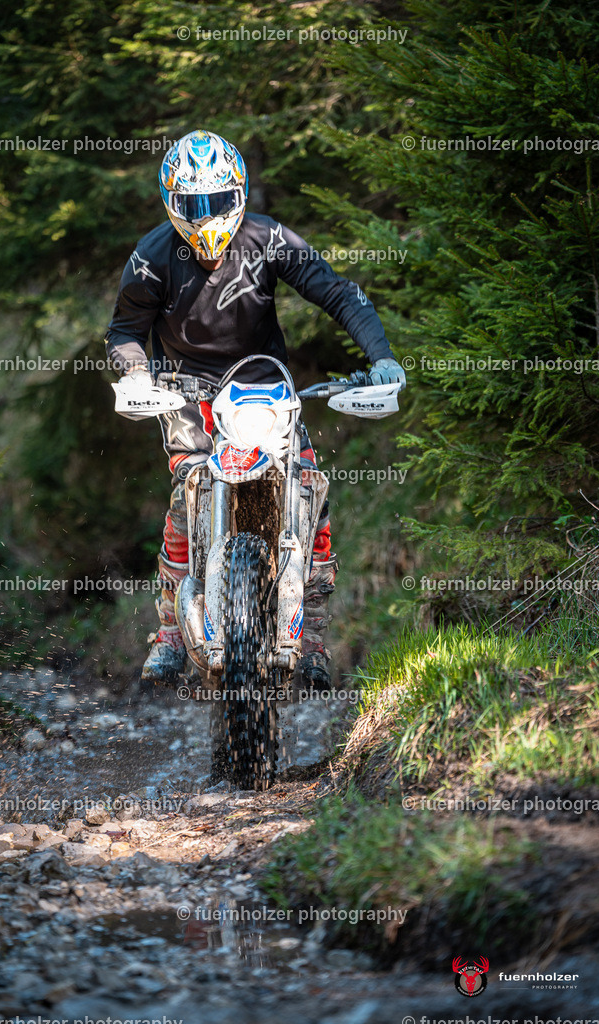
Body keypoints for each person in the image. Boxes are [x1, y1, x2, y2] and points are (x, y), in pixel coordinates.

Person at [105, 129, 406, 687]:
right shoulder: (151, 257)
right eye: (191, 205)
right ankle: (172, 626)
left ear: (237, 194)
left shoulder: (268, 238)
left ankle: (310, 628)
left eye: (215, 202)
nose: (205, 215)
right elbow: (124, 331)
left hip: (266, 390)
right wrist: (137, 374)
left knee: (309, 484)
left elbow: (339, 291)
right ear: (172, 203)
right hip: (187, 393)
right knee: (188, 487)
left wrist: (381, 357)